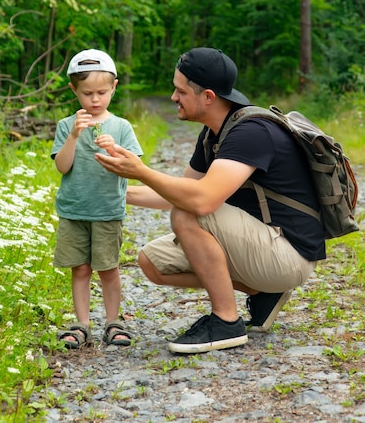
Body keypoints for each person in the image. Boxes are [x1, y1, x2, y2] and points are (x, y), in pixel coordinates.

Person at [95, 47, 326, 354]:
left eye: (180, 91)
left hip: (289, 253)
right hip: (265, 246)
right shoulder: (214, 133)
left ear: (208, 97)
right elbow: (179, 190)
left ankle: (225, 321)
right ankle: (263, 292)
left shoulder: (251, 132)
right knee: (152, 262)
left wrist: (140, 171)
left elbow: (201, 202)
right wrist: (114, 196)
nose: (173, 98)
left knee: (187, 214)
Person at [51, 49, 143, 349]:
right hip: (74, 210)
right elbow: (62, 166)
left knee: (108, 268)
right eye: (87, 93)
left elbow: (133, 168)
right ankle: (82, 324)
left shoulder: (121, 127)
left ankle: (114, 322)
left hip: (107, 210)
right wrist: (74, 137)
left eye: (102, 92)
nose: (95, 100)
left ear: (114, 87)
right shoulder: (67, 125)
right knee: (80, 267)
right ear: (73, 90)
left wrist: (115, 149)